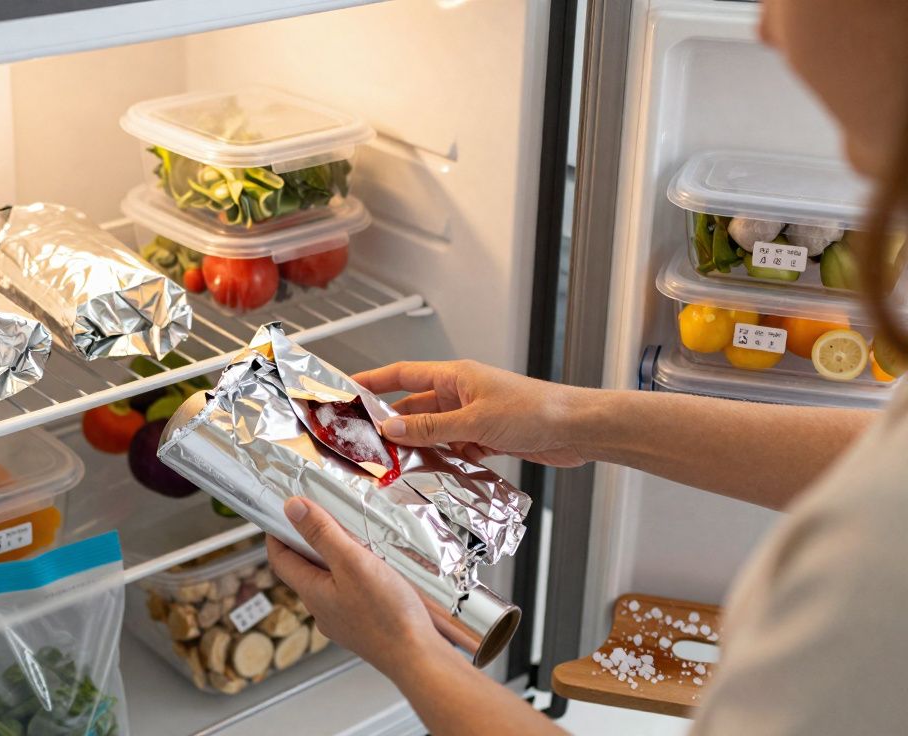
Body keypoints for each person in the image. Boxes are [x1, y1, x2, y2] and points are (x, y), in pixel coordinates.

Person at [266, 1, 908, 733]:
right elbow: (884, 459)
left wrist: (407, 651)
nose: (764, 25)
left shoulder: (868, 587)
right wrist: (570, 418)